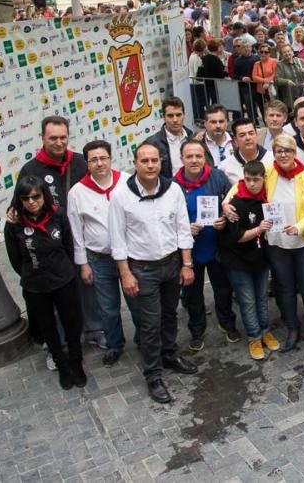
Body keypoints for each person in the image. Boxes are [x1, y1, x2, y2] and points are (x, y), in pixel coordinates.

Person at [109, 143, 197, 404]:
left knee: (170, 315)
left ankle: (170, 355)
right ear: (135, 163)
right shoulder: (120, 196)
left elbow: (183, 229)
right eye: (144, 161)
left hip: (171, 264)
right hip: (142, 268)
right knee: (150, 323)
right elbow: (117, 239)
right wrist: (125, 274)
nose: (150, 166)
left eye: (154, 161)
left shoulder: (173, 190)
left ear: (161, 162)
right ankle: (153, 374)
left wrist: (187, 264)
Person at [4, 175, 85, 390]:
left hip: (63, 280)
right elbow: (14, 258)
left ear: (44, 196)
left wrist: (65, 270)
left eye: (36, 196)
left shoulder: (57, 215)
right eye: (26, 198)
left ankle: (77, 364)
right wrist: (32, 272)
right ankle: (62, 365)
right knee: (48, 327)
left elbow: (69, 245)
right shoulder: (14, 224)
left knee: (72, 324)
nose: (32, 202)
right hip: (35, 286)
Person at [66, 140, 137, 368]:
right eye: (94, 159)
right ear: (86, 163)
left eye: (103, 158)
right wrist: (83, 264)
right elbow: (76, 230)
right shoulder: (77, 192)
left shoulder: (126, 181)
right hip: (99, 258)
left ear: (110, 158)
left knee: (136, 300)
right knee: (108, 307)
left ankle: (144, 339)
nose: (99, 163)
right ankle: (115, 344)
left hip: (128, 256)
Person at [174, 140, 239, 351]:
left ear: (205, 157)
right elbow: (167, 218)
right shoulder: (173, 185)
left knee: (223, 288)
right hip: (190, 250)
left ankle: (227, 323)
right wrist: (184, 228)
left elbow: (232, 200)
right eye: (189, 156)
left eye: (199, 156)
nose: (194, 160)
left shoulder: (217, 176)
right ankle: (197, 330)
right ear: (181, 159)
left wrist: (224, 217)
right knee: (193, 293)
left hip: (217, 244)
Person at [259, 134, 304, 350]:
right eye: (279, 151)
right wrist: (228, 202)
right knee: (284, 288)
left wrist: (299, 226)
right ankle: (292, 328)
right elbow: (242, 186)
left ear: (295, 153)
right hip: (277, 242)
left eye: (287, 150)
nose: (283, 155)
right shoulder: (267, 173)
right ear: (274, 153)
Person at [222, 161, 280, 361]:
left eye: (256, 180)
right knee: (247, 302)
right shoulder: (236, 203)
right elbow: (237, 236)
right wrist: (259, 229)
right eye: (248, 180)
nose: (252, 184)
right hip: (238, 261)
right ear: (242, 179)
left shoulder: (267, 199)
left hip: (260, 259)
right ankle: (254, 337)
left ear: (264, 179)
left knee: (262, 298)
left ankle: (265, 331)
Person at [17, 116, 88, 212]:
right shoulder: (29, 170)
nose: (59, 143)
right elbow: (17, 206)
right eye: (53, 138)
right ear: (42, 137)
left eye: (63, 137)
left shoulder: (81, 161)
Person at [143, 97, 193, 180]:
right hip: (168, 189)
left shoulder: (192, 137)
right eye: (170, 116)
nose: (175, 120)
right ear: (164, 117)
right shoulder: (152, 143)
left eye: (178, 115)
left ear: (184, 115)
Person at [218, 118, 274, 185]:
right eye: (242, 135)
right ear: (235, 140)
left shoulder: (273, 159)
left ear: (256, 135)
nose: (248, 138)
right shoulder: (225, 166)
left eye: (251, 133)